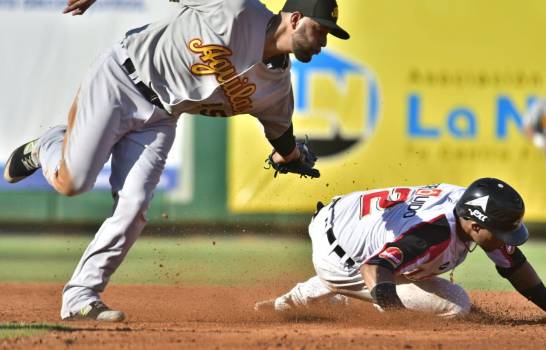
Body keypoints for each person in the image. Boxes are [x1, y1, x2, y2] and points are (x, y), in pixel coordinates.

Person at [3, 0, 350, 321]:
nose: (322, 41)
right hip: (121, 79)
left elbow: (281, 135)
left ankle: (80, 296)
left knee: (135, 205)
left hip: (161, 117)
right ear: (294, 18)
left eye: (326, 34)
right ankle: (47, 145)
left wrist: (291, 157)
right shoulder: (236, 9)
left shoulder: (276, 89)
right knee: (72, 183)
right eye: (319, 29)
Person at [255, 178, 546, 318]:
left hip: (345, 218)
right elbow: (375, 266)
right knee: (456, 304)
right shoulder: (432, 234)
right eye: (499, 233)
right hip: (339, 256)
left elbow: (514, 266)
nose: (504, 240)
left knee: (410, 267)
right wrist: (397, 319)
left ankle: (294, 300)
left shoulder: (466, 204)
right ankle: (334, 294)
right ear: (475, 225)